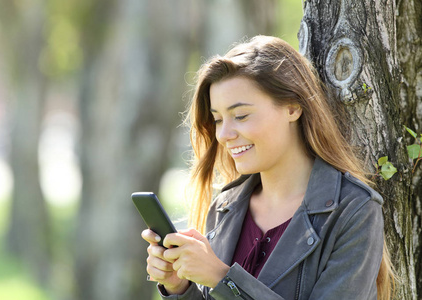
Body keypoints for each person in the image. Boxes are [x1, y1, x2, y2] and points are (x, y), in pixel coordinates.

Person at [142, 35, 394, 300]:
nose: (224, 134)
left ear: (292, 107)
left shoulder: (354, 210)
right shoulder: (225, 207)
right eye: (217, 120)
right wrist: (179, 287)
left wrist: (220, 277)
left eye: (240, 116)